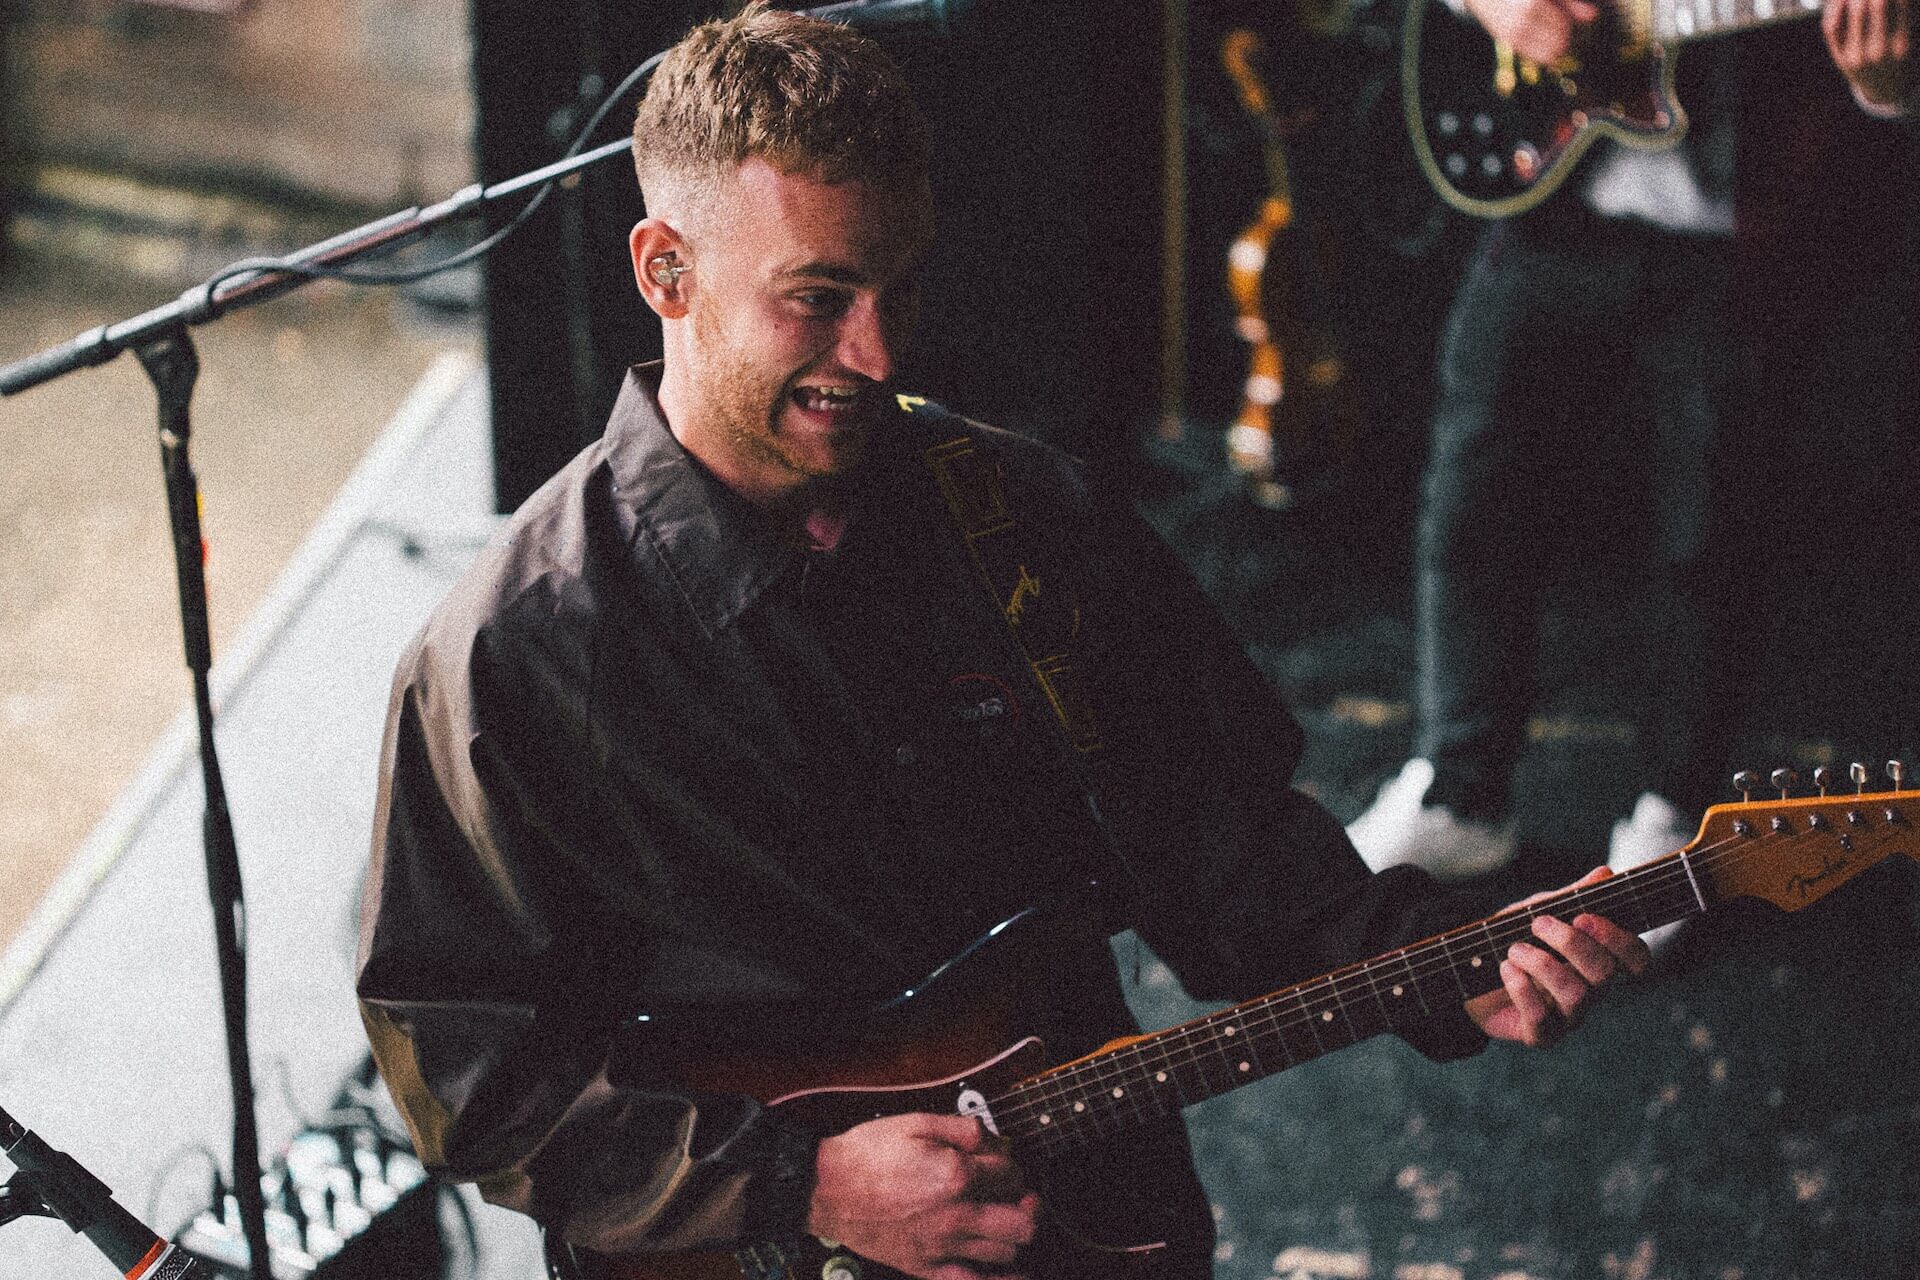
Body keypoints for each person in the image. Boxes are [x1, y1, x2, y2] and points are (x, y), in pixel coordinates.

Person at [355, 8, 1650, 1279]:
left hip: (1092, 1217)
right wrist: (809, 1188)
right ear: (665, 271)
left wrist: (1435, 971)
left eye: (898, 286)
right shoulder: (516, 653)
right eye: (816, 298)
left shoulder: (1024, 517)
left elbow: (1224, 848)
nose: (874, 351)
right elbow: (471, 1078)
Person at [1346, 0, 1914, 881]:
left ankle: (1675, 820)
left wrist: (1889, 93)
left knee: (1710, 544)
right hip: (1552, 210)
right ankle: (1458, 794)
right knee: (1474, 505)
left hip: (1747, 243)